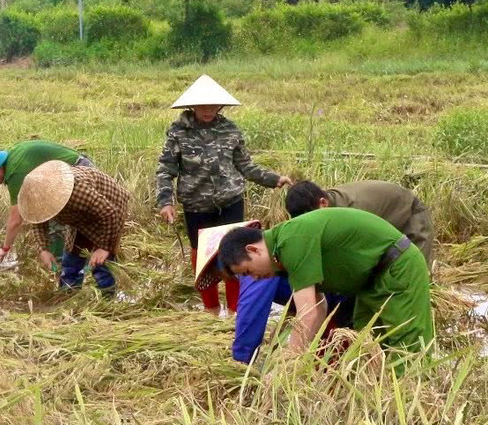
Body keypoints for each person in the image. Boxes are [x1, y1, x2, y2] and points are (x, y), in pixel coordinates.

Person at [156, 75, 292, 313]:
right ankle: (210, 309)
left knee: (234, 255)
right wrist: (165, 202)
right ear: (193, 106)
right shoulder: (178, 132)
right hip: (197, 207)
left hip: (231, 202)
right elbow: (166, 170)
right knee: (202, 258)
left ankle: (234, 310)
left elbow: (245, 165)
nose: (208, 110)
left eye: (212, 106)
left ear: (219, 106)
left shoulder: (230, 130)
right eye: (203, 106)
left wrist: (274, 179)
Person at [218, 208, 433, 357]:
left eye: (248, 271)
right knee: (366, 349)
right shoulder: (281, 256)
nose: (254, 278)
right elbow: (319, 307)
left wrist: (286, 364)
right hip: (369, 284)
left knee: (405, 349)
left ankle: (416, 412)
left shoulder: (291, 240)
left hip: (397, 268)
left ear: (253, 249)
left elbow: (307, 313)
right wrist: (305, 356)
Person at [195, 221, 353, 363]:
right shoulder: (268, 253)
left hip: (339, 300)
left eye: (216, 273)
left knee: (341, 354)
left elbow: (251, 312)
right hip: (324, 302)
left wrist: (241, 360)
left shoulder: (253, 267)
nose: (221, 278)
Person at [18, 160, 130, 294]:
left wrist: (104, 248)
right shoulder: (40, 198)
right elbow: (38, 221)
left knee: (100, 265)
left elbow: (110, 213)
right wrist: (43, 250)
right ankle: (68, 296)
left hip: (109, 208)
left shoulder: (78, 191)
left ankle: (107, 303)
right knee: (71, 259)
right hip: (79, 216)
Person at [0, 141, 93, 261]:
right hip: (68, 171)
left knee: (65, 220)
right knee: (49, 218)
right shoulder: (11, 158)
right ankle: (59, 261)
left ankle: (71, 261)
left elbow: (15, 220)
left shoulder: (15, 173)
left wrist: (5, 248)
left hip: (79, 171)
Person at [285, 179, 434, 265]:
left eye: (309, 219)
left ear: (322, 203)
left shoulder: (354, 213)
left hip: (410, 214)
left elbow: (365, 254)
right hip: (384, 215)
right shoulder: (329, 205)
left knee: (416, 272)